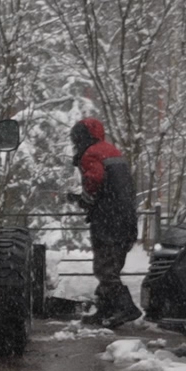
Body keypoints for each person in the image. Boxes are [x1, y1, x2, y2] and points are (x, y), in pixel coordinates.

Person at [71, 116, 142, 328]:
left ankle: (126, 308)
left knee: (104, 268)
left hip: (108, 218)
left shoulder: (91, 153)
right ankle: (106, 310)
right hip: (126, 216)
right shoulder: (113, 151)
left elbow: (94, 180)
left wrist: (84, 200)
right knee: (112, 265)